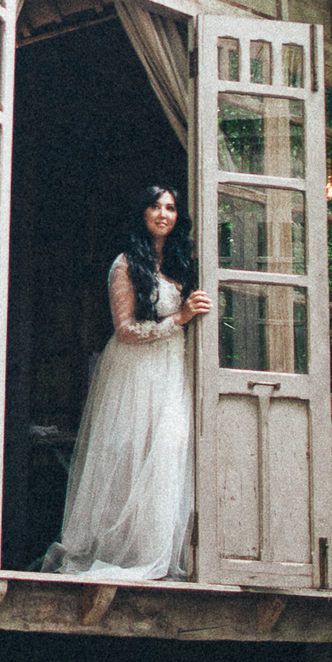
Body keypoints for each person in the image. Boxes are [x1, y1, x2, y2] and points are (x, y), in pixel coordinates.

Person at [38, 183, 212, 580]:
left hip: (174, 367)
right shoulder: (125, 264)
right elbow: (126, 329)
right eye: (155, 207)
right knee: (134, 455)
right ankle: (125, 552)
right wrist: (179, 318)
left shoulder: (182, 263)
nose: (164, 214)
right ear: (142, 213)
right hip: (137, 369)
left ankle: (159, 550)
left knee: (170, 451)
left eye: (170, 208)